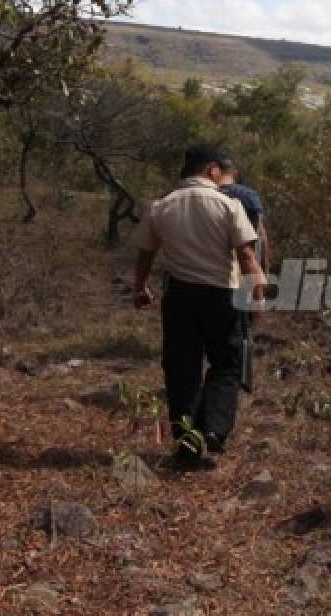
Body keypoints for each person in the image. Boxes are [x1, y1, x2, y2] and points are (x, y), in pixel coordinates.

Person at [133, 144, 266, 469]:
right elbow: (247, 256)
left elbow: (145, 253)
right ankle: (214, 430)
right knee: (226, 364)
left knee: (181, 369)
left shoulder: (161, 206)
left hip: (179, 297)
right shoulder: (228, 205)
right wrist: (258, 293)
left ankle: (187, 444)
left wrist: (140, 287)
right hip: (221, 296)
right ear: (212, 171)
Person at [217, 158, 268, 393]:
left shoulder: (208, 195)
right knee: (243, 324)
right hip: (245, 264)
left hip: (216, 268)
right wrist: (262, 269)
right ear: (234, 172)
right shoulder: (249, 196)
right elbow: (259, 236)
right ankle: (241, 375)